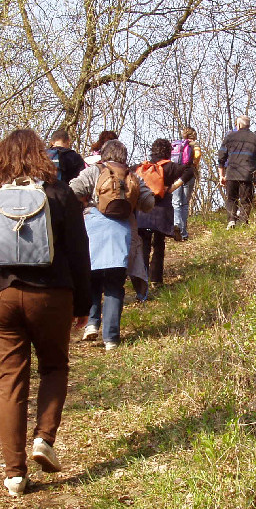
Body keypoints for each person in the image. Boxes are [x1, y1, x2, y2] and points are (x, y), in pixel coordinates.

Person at [0, 129, 92, 497]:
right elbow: (80, 253)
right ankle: (44, 440)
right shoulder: (58, 194)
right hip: (51, 296)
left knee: (10, 381)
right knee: (53, 366)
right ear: (41, 156)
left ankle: (14, 474)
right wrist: (83, 304)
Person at [69, 139, 155, 350]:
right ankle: (111, 339)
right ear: (124, 157)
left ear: (104, 155)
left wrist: (86, 202)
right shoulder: (132, 176)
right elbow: (149, 203)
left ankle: (91, 323)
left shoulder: (95, 172)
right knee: (115, 285)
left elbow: (71, 191)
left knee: (93, 280)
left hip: (93, 230)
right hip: (121, 233)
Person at [134, 139, 196, 289]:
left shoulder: (142, 167)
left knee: (143, 245)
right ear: (168, 151)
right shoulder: (170, 167)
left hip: (142, 211)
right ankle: (156, 280)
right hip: (161, 212)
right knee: (159, 245)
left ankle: (142, 281)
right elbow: (189, 171)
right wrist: (173, 187)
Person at [217, 115, 256, 228]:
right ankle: (243, 223)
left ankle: (231, 221)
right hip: (248, 174)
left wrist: (221, 175)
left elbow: (221, 157)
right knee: (246, 200)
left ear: (238, 125)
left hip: (232, 173)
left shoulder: (230, 137)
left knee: (231, 199)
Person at [170, 127, 200, 241]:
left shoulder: (177, 144)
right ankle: (183, 232)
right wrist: (193, 164)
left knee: (176, 202)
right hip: (189, 174)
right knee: (185, 203)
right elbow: (197, 155)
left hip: (176, 173)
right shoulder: (194, 144)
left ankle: (176, 225)